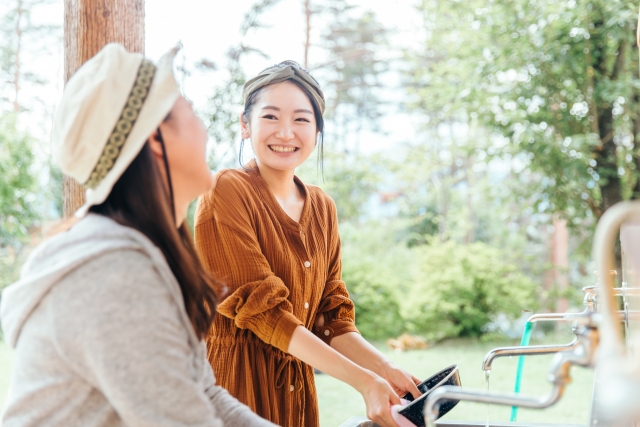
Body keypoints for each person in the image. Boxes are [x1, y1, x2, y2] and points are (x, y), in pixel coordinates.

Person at [0, 43, 275, 427]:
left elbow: (205, 396)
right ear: (154, 140)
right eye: (190, 111)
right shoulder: (115, 276)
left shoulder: (143, 254)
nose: (206, 127)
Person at [194, 61, 422, 427]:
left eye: (301, 119)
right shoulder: (226, 190)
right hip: (233, 391)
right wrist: (365, 382)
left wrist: (386, 369)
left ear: (317, 129)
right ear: (244, 125)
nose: (286, 132)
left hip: (296, 396)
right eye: (270, 116)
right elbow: (264, 312)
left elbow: (330, 318)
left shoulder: (322, 207)